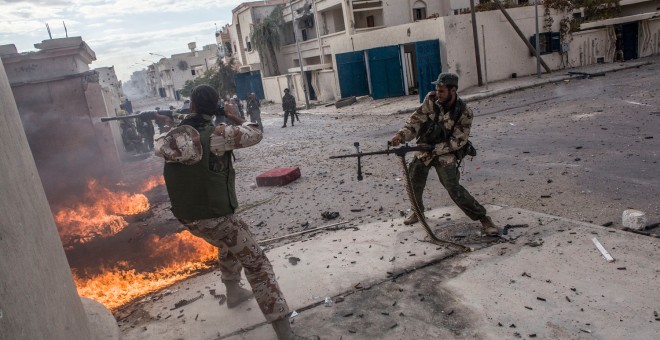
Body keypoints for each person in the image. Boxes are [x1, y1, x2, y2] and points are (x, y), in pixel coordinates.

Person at [154, 85, 317, 340]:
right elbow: (255, 133)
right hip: (216, 217)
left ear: (192, 106)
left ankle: (233, 292)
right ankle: (285, 333)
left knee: (229, 241)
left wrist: (170, 122)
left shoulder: (171, 138)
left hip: (188, 218)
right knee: (258, 265)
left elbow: (177, 136)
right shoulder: (219, 135)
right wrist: (233, 115)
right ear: (216, 107)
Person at [389, 72, 499, 236]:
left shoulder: (464, 112)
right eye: (437, 90)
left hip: (445, 152)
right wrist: (401, 136)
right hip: (425, 148)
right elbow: (416, 121)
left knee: (453, 188)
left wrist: (434, 149)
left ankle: (483, 218)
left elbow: (458, 141)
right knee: (414, 181)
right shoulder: (431, 100)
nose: (438, 94)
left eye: (442, 91)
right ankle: (417, 212)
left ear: (453, 91)